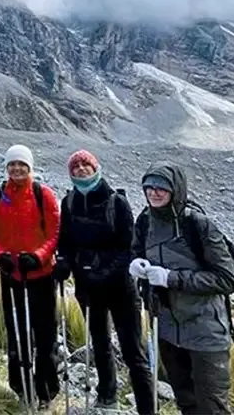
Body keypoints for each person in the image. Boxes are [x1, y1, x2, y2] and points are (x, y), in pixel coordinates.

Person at [130, 163, 234, 415]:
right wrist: (135, 264)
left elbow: (226, 278)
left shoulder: (197, 225)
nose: (154, 192)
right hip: (167, 329)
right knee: (186, 403)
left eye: (162, 187)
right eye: (149, 186)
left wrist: (171, 278)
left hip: (205, 332)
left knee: (212, 407)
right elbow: (136, 251)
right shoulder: (145, 220)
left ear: (175, 190)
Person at [53, 149, 155, 413]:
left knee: (132, 349)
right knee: (99, 343)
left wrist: (105, 272)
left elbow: (128, 247)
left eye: (85, 165)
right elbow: (66, 239)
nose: (81, 170)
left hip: (120, 287)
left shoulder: (116, 202)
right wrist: (63, 262)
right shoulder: (69, 202)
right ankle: (107, 396)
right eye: (75, 167)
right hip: (87, 285)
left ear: (95, 167)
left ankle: (147, 407)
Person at [0, 144, 61, 408]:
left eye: (22, 164)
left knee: (45, 335)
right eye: (12, 164)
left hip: (41, 275)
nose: (16, 169)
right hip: (12, 275)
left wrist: (38, 256)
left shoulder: (43, 194)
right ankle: (21, 387)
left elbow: (54, 231)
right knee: (17, 333)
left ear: (30, 167)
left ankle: (46, 391)